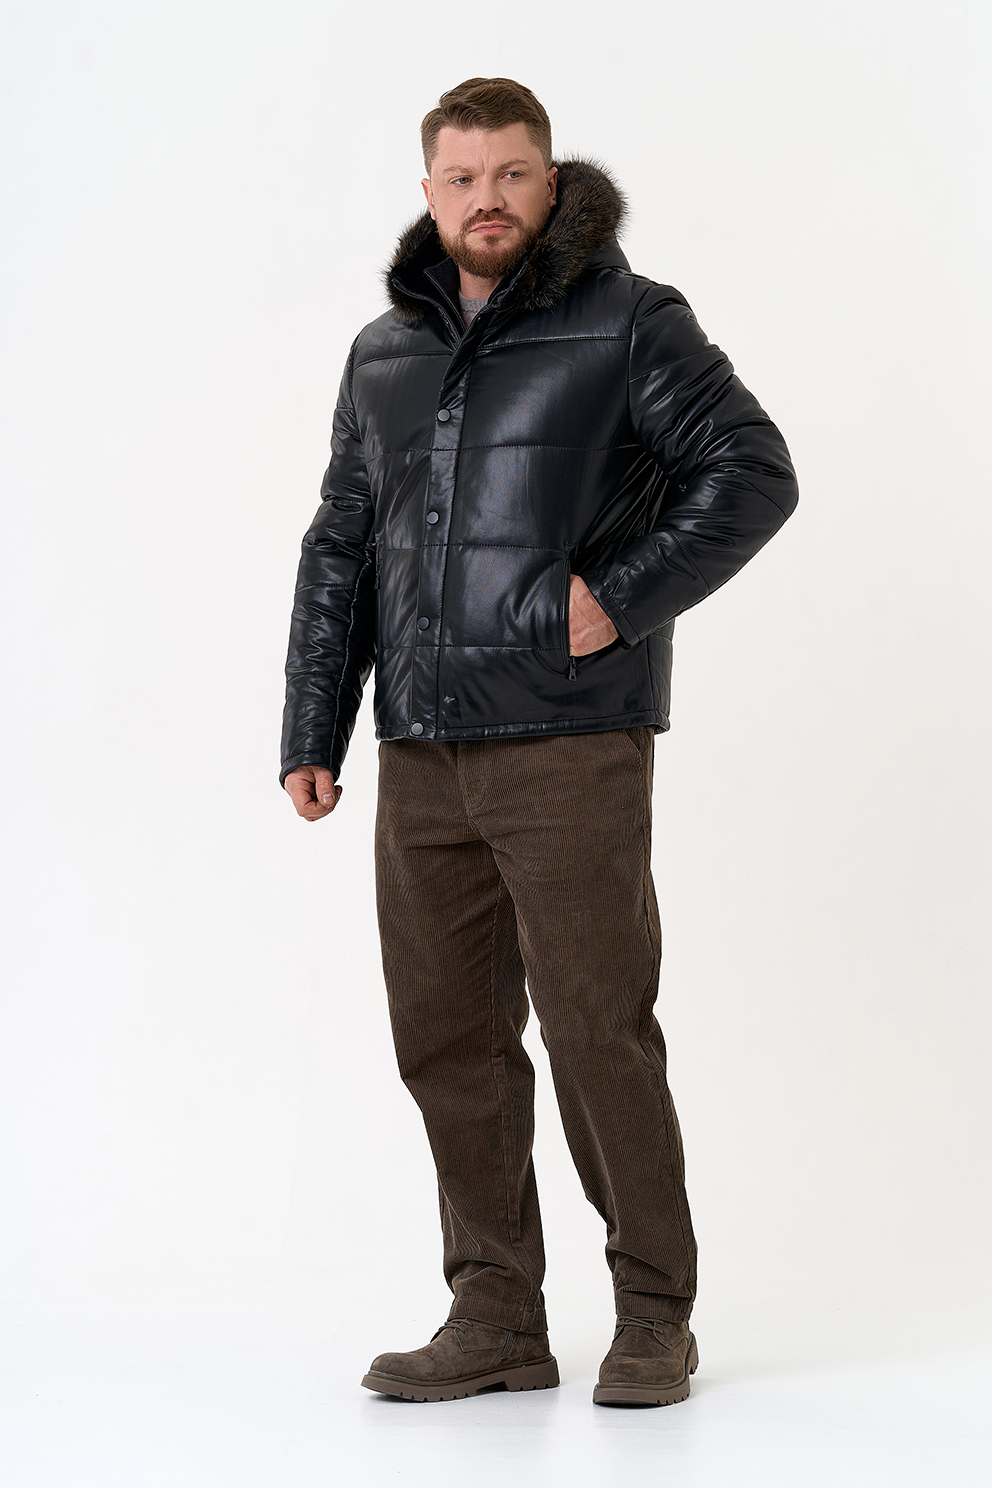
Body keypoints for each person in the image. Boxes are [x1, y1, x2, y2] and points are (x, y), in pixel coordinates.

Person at [281, 76, 798, 1407]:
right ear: (428, 191)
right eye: (463, 178)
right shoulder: (383, 352)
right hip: (421, 750)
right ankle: (497, 1316)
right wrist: (312, 723)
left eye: (512, 174)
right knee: (446, 1037)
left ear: (550, 182)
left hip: (570, 741)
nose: (488, 200)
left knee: (593, 1028)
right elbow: (341, 544)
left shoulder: (629, 319)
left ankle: (655, 1313)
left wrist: (613, 597)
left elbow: (751, 469)